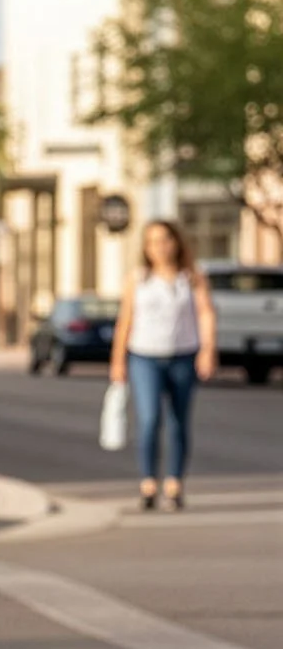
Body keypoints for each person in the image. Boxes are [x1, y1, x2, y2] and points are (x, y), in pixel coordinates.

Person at [110, 218, 216, 512]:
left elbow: (206, 313)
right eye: (152, 242)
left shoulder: (192, 277)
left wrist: (208, 349)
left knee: (179, 421)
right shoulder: (138, 278)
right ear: (145, 247)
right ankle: (148, 482)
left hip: (183, 355)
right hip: (144, 356)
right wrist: (118, 361)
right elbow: (125, 320)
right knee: (149, 419)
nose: (159, 247)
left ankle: (174, 483)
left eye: (164, 240)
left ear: (176, 242)